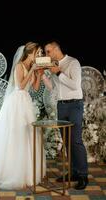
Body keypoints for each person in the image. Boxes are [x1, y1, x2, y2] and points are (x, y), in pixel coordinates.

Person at [0, 42, 46, 189]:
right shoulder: (20, 66)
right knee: (17, 136)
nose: (40, 55)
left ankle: (27, 171)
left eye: (40, 53)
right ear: (30, 53)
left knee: (28, 135)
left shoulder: (33, 67)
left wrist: (39, 74)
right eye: (38, 53)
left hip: (26, 102)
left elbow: (35, 88)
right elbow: (20, 86)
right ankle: (13, 171)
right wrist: (32, 70)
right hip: (17, 103)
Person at [43, 41, 88, 190]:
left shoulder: (72, 62)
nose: (46, 55)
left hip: (75, 105)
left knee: (75, 140)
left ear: (56, 49)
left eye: (48, 51)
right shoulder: (54, 65)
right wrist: (43, 75)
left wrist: (57, 72)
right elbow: (53, 88)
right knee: (67, 141)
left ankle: (82, 175)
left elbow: (75, 85)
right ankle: (73, 173)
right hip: (61, 105)